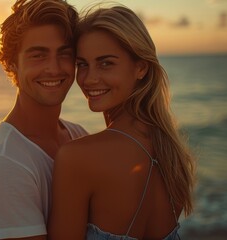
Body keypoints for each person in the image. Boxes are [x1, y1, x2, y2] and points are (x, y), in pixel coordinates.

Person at [48, 4, 196, 240]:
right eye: (82, 64)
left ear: (141, 67)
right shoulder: (171, 153)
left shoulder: (77, 158)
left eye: (106, 63)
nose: (89, 78)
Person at [0, 1, 88, 239]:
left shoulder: (79, 136)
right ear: (12, 64)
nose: (53, 68)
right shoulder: (4, 161)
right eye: (38, 55)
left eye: (64, 53)